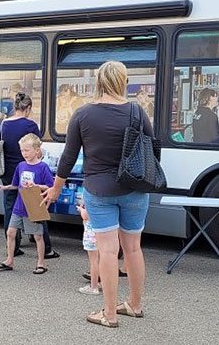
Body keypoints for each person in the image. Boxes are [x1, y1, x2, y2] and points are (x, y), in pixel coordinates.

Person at [41, 60, 151, 328]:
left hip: (99, 190)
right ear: (123, 82)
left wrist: (56, 188)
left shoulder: (83, 114)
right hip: (135, 189)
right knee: (133, 249)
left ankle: (110, 314)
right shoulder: (137, 112)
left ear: (98, 83)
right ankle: (135, 306)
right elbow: (152, 149)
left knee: (108, 251)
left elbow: (68, 156)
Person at [0, 92, 58, 259]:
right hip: (30, 171)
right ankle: (46, 249)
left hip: (8, 171)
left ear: (15, 107)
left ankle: (13, 247)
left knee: (10, 206)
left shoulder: (4, 124)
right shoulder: (31, 125)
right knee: (35, 206)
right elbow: (38, 148)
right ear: (28, 108)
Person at [0, 134, 54, 274]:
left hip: (33, 206)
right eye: (22, 150)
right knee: (11, 232)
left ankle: (41, 263)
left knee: (38, 236)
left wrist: (36, 185)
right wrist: (4, 187)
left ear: (37, 150)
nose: (24, 154)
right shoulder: (20, 166)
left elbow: (51, 187)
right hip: (19, 206)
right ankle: (9, 260)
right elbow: (15, 185)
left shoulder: (43, 167)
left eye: (27, 150)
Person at [78, 203, 101, 295]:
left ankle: (93, 286)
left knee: (93, 262)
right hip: (101, 236)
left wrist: (81, 209)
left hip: (91, 238)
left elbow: (85, 216)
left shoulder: (92, 201)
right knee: (101, 261)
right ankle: (101, 283)